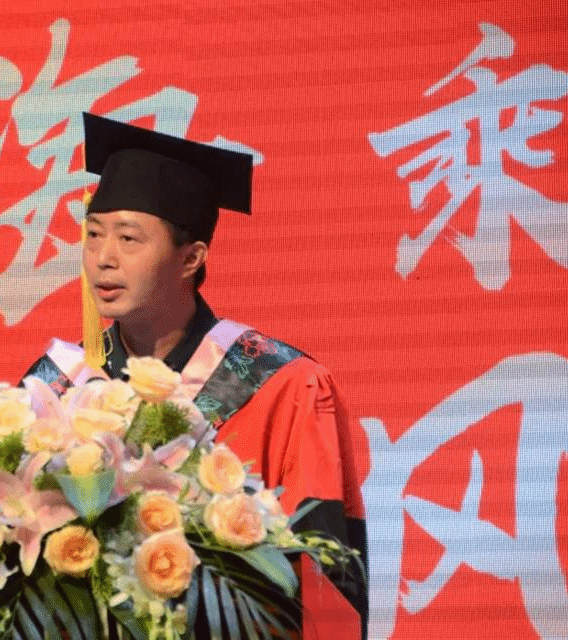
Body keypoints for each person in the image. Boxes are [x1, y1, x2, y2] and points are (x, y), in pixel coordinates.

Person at [23, 113, 368, 639]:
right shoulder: (56, 387)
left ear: (191, 258)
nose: (103, 259)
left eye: (129, 239)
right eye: (93, 235)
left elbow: (326, 575)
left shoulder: (281, 385)